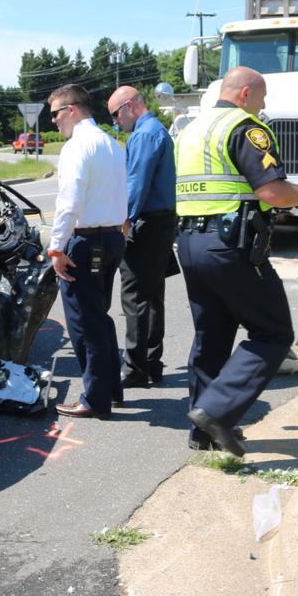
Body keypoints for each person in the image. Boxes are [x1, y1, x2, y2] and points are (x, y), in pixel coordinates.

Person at [174, 66, 298, 456]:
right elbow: (274, 192)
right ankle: (216, 413)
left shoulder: (192, 129)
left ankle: (204, 433)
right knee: (273, 334)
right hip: (229, 246)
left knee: (211, 336)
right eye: (262, 97)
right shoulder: (245, 127)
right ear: (245, 92)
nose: (264, 106)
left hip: (190, 244)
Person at [47, 84, 128, 418]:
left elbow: (69, 201)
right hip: (112, 239)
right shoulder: (112, 144)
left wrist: (55, 248)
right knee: (99, 316)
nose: (52, 121)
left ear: (71, 110)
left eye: (54, 114)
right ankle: (110, 389)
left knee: (84, 322)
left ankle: (95, 399)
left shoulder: (77, 146)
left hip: (86, 240)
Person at [107, 85, 176, 390]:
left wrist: (125, 220)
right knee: (152, 293)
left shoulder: (145, 134)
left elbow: (136, 183)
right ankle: (151, 362)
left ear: (130, 105)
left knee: (135, 295)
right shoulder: (153, 130)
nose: (114, 122)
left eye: (115, 115)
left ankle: (136, 367)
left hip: (148, 222)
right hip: (160, 221)